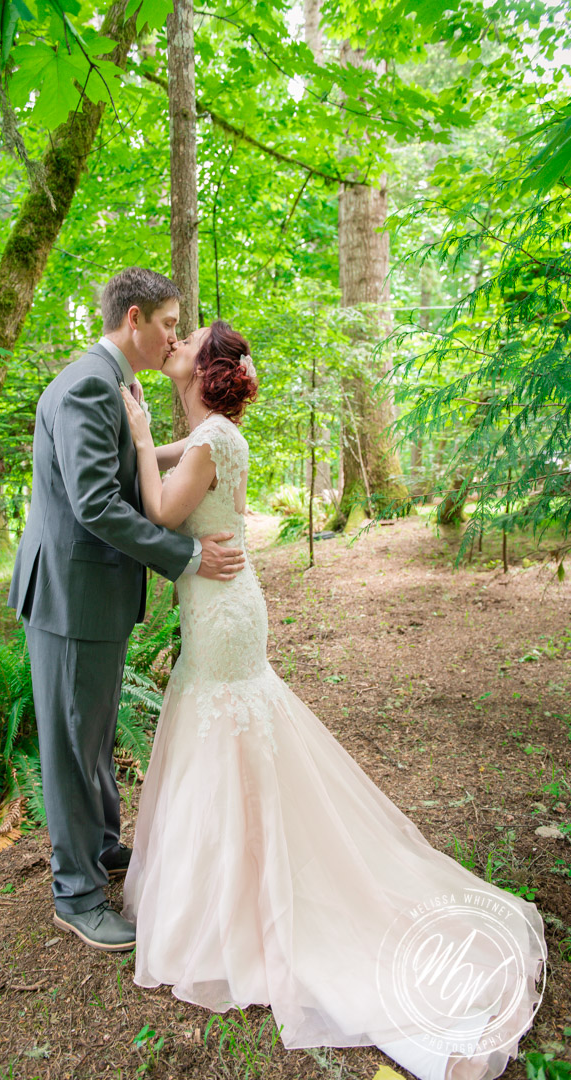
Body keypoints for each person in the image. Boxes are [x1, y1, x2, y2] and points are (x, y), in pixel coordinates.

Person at [120, 320, 547, 1080]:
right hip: (228, 606)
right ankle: (241, 882)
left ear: (204, 369)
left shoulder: (209, 439)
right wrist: (147, 444)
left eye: (188, 338)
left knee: (223, 734)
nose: (174, 342)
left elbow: (159, 513)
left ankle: (241, 903)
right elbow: (175, 470)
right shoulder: (216, 436)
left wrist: (141, 431)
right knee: (230, 735)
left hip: (221, 614)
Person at [7, 270, 245, 953]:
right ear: (134, 318)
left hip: (95, 595)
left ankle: (104, 846)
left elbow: (127, 478)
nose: (174, 336)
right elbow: (96, 504)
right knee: (71, 743)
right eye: (169, 323)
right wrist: (186, 555)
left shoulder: (118, 383)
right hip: (70, 597)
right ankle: (76, 896)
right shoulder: (88, 384)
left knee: (94, 732)